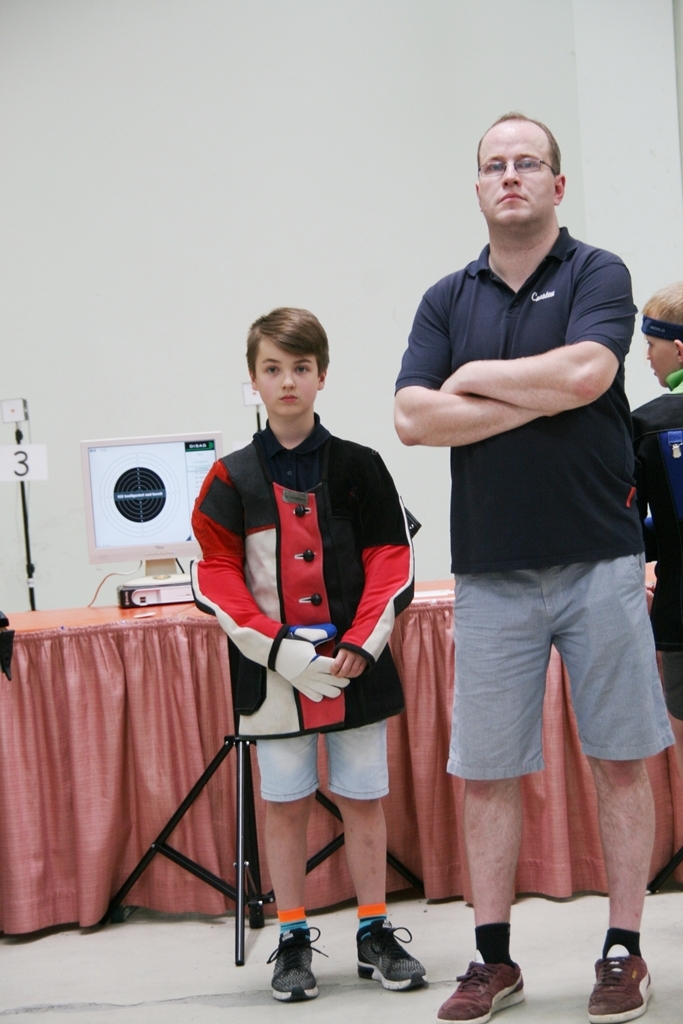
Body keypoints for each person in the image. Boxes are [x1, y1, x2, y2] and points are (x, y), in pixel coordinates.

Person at [394, 113, 672, 1024]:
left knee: (620, 760)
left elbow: (589, 374)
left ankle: (622, 949)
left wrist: (470, 378)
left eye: (527, 163)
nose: (509, 175)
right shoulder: (444, 299)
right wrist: (539, 393)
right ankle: (491, 959)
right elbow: (412, 419)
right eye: (494, 164)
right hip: (490, 572)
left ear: (556, 183)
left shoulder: (598, 272)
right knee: (486, 771)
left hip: (600, 560)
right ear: (477, 186)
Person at [191, 307, 426, 1003]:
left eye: (300, 367)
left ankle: (374, 931)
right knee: (285, 805)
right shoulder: (229, 478)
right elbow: (215, 574)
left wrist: (359, 644)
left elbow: (392, 562)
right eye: (273, 369)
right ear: (253, 379)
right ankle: (292, 936)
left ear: (322, 375)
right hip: (271, 679)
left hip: (356, 668)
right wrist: (275, 649)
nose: (287, 381)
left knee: (364, 799)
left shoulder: (362, 465)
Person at [632, 282, 683, 780]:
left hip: (679, 615)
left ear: (679, 350)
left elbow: (628, 531)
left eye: (651, 344)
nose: (647, 356)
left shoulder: (647, 425)